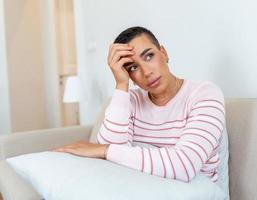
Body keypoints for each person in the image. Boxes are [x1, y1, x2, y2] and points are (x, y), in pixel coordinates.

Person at [54, 26, 226, 184]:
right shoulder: (131, 101)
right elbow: (110, 167)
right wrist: (121, 85)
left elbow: (184, 165)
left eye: (149, 56)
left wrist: (104, 150)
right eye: (133, 68)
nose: (147, 72)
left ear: (164, 53)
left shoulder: (204, 94)